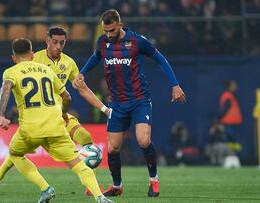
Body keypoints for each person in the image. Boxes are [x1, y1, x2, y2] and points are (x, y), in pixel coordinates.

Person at [0, 27, 111, 197]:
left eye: (62, 43)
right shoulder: (36, 59)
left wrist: (104, 108)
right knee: (17, 153)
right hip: (39, 113)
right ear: (47, 41)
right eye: (55, 42)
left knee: (86, 139)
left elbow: (82, 89)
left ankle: (90, 186)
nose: (58, 46)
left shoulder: (69, 63)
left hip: (60, 113)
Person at [73, 9, 186, 198]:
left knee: (143, 140)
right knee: (113, 148)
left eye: (111, 30)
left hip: (139, 99)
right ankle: (117, 186)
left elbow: (160, 59)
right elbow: (96, 57)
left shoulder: (136, 41)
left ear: (120, 24)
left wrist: (175, 85)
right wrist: (82, 72)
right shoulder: (102, 42)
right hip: (116, 103)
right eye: (105, 31)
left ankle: (154, 180)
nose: (108, 35)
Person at [218, 80, 242, 150]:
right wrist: (218, 120)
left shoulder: (231, 96)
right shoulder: (227, 96)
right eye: (234, 85)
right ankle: (230, 155)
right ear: (230, 86)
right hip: (228, 123)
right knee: (230, 140)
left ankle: (233, 155)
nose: (236, 87)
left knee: (233, 142)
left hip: (233, 123)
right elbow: (224, 110)